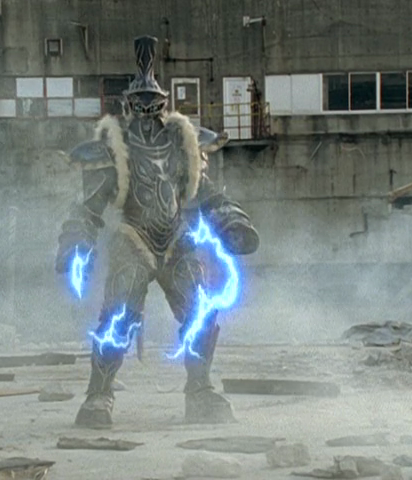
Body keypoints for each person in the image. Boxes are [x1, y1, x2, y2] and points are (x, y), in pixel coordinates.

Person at [55, 35, 260, 428]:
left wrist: (232, 221)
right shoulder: (115, 148)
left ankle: (200, 390)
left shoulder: (183, 144)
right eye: (141, 104)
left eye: (154, 104)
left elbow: (206, 193)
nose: (148, 112)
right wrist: (74, 243)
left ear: (164, 104)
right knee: (118, 314)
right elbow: (88, 207)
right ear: (129, 105)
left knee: (201, 309)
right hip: (133, 237)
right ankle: (99, 394)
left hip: (176, 238)